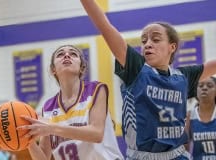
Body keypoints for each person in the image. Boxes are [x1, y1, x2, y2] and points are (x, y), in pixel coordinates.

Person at [80, 0, 216, 159]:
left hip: (178, 155)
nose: (147, 44)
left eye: (156, 39)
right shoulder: (136, 69)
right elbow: (105, 27)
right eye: (144, 41)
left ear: (172, 47)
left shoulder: (183, 77)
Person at [18, 45, 124, 160]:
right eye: (60, 54)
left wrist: (51, 128)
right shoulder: (48, 107)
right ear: (53, 69)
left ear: (81, 68)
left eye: (73, 54)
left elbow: (96, 133)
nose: (67, 55)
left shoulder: (96, 89)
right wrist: (27, 141)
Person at [187, 77, 216, 159]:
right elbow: (184, 147)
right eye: (200, 86)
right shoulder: (190, 115)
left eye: (210, 86)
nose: (204, 88)